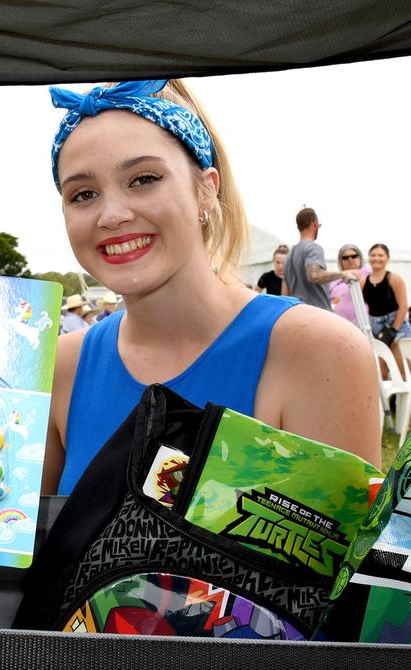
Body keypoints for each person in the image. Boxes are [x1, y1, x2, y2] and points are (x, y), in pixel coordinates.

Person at [42, 79, 380, 495]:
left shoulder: (320, 354)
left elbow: (340, 554)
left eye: (143, 179)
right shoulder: (58, 367)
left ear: (207, 190)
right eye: (83, 194)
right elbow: (9, 546)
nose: (111, 215)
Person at [282, 208, 357, 311]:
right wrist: (344, 274)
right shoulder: (313, 248)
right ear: (315, 223)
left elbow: (284, 291)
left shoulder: (289, 255)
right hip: (318, 314)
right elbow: (314, 275)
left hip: (297, 313)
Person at [362, 243, 411, 367]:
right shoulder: (363, 281)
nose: (376, 258)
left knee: (403, 368)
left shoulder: (394, 278)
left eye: (380, 255)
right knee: (382, 369)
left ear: (387, 258)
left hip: (396, 325)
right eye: (373, 255)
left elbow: (403, 305)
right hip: (375, 327)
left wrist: (393, 330)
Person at [328, 243, 369, 325]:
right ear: (340, 261)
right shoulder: (333, 280)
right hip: (339, 325)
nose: (350, 259)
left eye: (353, 256)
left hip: (363, 325)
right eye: (345, 258)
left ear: (360, 258)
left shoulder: (369, 273)